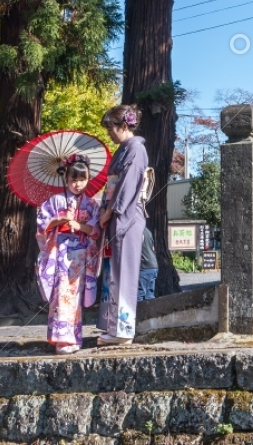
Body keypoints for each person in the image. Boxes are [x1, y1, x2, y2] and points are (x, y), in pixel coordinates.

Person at [36, 156, 102, 354]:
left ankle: (74, 337)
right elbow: (41, 226)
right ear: (66, 180)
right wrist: (60, 219)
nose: (78, 184)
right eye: (73, 180)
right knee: (61, 294)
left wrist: (80, 225)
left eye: (82, 179)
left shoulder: (91, 204)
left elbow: (97, 230)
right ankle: (60, 339)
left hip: (81, 255)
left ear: (88, 179)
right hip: (60, 253)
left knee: (75, 295)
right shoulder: (55, 201)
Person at [98, 104, 148, 346]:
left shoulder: (136, 149)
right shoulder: (123, 150)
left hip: (125, 214)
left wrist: (109, 210)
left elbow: (128, 184)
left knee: (123, 270)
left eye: (111, 128)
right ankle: (112, 326)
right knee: (112, 271)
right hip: (114, 213)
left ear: (124, 126)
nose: (109, 133)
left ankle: (124, 329)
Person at [138, 226, 158, 302]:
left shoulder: (137, 230)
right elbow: (153, 248)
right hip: (153, 266)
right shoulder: (148, 231)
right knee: (150, 295)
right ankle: (151, 313)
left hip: (144, 266)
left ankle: (140, 313)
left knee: (139, 296)